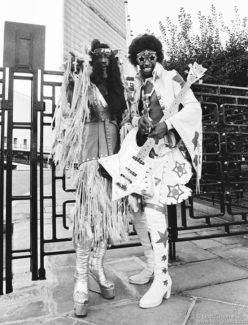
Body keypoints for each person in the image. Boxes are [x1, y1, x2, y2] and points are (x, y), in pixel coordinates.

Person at [51, 39, 129, 317]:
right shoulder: (85, 84)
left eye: (110, 56)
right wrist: (73, 72)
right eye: (100, 56)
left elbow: (126, 121)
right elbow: (71, 102)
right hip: (90, 161)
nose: (105, 61)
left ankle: (97, 265)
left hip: (115, 163)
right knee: (87, 220)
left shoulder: (120, 89)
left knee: (108, 219)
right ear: (93, 59)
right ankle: (81, 276)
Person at [126, 34, 202, 309]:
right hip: (141, 156)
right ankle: (151, 266)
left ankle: (162, 279)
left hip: (165, 156)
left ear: (158, 55)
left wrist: (169, 125)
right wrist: (138, 119)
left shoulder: (173, 78)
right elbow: (128, 117)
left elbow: (194, 106)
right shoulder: (134, 85)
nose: (146, 61)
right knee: (137, 213)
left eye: (150, 55)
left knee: (155, 215)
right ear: (135, 60)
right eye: (140, 57)